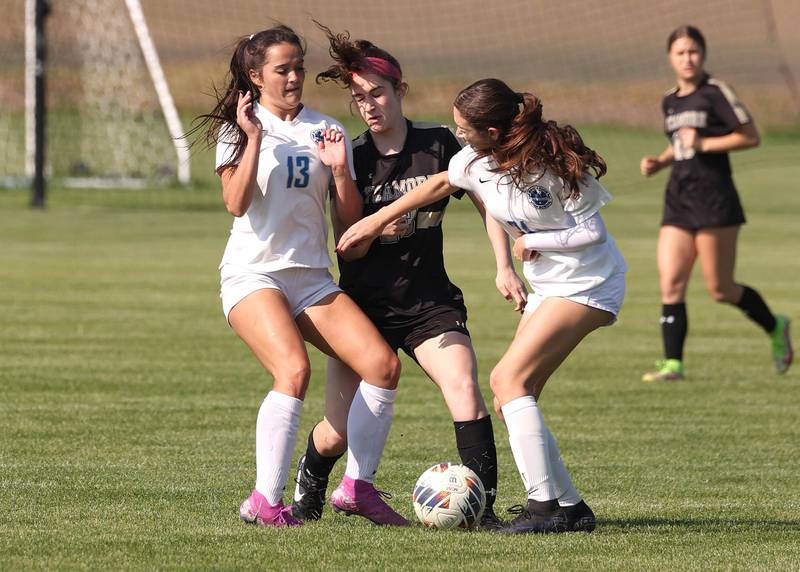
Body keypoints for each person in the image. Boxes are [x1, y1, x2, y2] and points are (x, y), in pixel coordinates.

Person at [337, 78, 627, 534]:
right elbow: (437, 183)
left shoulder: (549, 165)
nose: (459, 136)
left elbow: (594, 232)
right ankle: (570, 507)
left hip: (589, 285)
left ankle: (542, 507)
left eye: (465, 129)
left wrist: (536, 240)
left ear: (493, 131)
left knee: (507, 380)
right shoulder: (475, 159)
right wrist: (378, 218)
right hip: (551, 286)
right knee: (512, 392)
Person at [289, 25, 527, 530]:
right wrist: (373, 228)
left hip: (428, 303)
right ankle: (308, 494)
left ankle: (481, 510)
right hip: (363, 308)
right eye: (359, 98)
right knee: (336, 431)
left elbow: (490, 206)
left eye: (377, 93)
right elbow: (344, 237)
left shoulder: (440, 143)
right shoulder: (350, 155)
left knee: (464, 387)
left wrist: (503, 263)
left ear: (401, 90)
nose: (369, 105)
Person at [194, 24, 408, 528]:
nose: (293, 78)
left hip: (311, 278)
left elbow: (347, 223)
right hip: (253, 276)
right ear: (256, 75)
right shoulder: (238, 128)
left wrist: (338, 170)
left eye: (298, 68)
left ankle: (357, 486)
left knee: (382, 367)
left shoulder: (325, 128)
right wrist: (252, 138)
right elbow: (235, 202)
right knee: (293, 372)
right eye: (282, 69)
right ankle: (264, 501)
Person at [639, 25, 793, 382]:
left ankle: (775, 325)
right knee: (671, 282)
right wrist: (661, 161)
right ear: (670, 58)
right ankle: (673, 365)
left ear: (703, 54)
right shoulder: (670, 100)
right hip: (678, 200)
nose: (687, 58)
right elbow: (680, 143)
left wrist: (705, 144)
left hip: (715, 201)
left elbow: (750, 136)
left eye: (693, 51)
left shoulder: (716, 92)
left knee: (720, 288)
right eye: (680, 53)